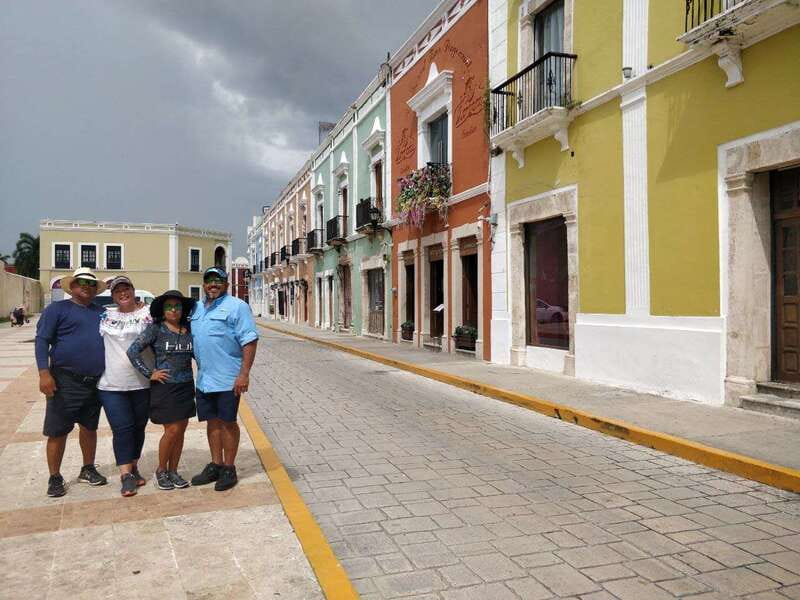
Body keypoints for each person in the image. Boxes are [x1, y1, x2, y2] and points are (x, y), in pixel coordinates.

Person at [35, 267, 108, 497]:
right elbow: (42, 340)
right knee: (58, 431)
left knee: (89, 428)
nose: (87, 287)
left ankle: (88, 468)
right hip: (65, 380)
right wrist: (44, 373)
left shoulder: (101, 312)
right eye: (82, 282)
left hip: (94, 382)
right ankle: (55, 477)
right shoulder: (57, 309)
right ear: (73, 286)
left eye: (91, 283)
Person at [190, 267, 258, 491]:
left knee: (228, 422)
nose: (213, 284)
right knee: (212, 422)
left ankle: (229, 468)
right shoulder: (197, 308)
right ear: (203, 284)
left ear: (226, 284)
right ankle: (216, 464)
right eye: (209, 280)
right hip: (204, 379)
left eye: (218, 280)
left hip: (228, 379)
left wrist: (244, 374)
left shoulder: (238, 306)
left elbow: (249, 340)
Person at [127, 290, 197, 491]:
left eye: (177, 306)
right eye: (169, 306)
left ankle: (173, 470)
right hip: (166, 388)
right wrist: (149, 373)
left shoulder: (188, 329)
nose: (173, 310)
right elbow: (132, 351)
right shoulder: (156, 329)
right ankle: (161, 470)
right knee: (172, 430)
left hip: (186, 385)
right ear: (163, 310)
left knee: (181, 431)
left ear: (182, 309)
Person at [97, 276, 152, 497]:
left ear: (133, 290)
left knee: (139, 427)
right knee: (122, 429)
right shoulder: (104, 316)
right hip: (112, 385)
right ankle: (125, 475)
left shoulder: (149, 313)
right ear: (112, 295)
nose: (123, 293)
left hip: (143, 384)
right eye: (117, 290)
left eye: (126, 288)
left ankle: (134, 466)